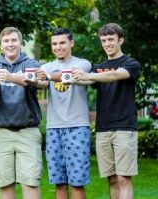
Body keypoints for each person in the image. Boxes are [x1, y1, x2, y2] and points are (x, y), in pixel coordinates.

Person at [73, 23, 140, 199]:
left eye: (111, 39)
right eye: (103, 40)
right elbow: (86, 81)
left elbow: (115, 75)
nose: (107, 43)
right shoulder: (99, 67)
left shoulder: (131, 63)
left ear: (121, 40)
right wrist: (70, 78)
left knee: (123, 178)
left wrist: (87, 75)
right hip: (103, 128)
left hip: (124, 128)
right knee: (111, 179)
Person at [0, 27, 47, 199]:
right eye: (6, 41)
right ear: (1, 45)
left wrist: (10, 77)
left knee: (31, 182)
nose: (10, 44)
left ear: (20, 43)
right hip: (0, 133)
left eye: (14, 40)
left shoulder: (31, 64)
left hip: (28, 131)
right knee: (4, 184)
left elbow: (39, 83)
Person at [40, 28, 92, 199]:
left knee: (77, 183)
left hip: (77, 127)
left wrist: (46, 76)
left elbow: (67, 75)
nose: (58, 47)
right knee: (59, 183)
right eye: (54, 44)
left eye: (62, 43)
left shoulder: (83, 64)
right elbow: (38, 82)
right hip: (54, 129)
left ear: (71, 43)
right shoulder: (47, 66)